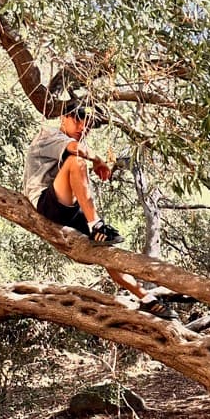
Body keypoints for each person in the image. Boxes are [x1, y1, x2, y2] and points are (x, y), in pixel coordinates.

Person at [23, 103, 179, 320]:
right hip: (45, 201)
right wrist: (98, 160)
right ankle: (96, 225)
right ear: (63, 117)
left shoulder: (72, 142)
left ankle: (146, 299)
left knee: (107, 250)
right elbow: (78, 151)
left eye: (87, 127)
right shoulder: (48, 135)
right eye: (77, 120)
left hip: (67, 205)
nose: (82, 128)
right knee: (77, 161)